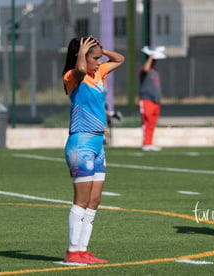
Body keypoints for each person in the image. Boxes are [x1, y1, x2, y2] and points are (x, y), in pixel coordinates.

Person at [62, 36, 125, 264]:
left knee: (95, 200)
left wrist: (101, 49)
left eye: (100, 58)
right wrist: (82, 51)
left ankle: (83, 249)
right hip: (82, 144)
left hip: (98, 144)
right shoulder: (73, 76)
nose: (99, 62)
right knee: (81, 199)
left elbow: (120, 59)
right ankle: (72, 251)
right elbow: (79, 68)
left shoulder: (98, 73)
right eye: (95, 58)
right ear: (82, 56)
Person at [139, 53, 162, 151]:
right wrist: (150, 58)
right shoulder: (144, 70)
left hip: (155, 101)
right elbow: (145, 69)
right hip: (146, 100)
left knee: (152, 123)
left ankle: (150, 142)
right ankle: (145, 143)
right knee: (146, 121)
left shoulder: (155, 71)